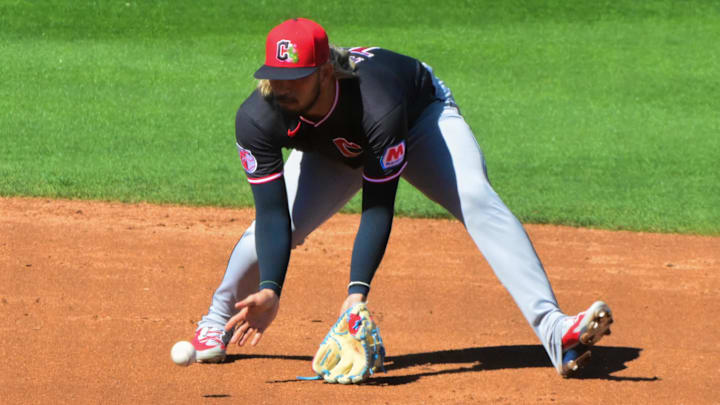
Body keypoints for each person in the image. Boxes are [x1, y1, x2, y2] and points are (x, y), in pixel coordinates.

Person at [188, 17, 613, 378]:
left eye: (295, 77)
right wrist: (271, 289)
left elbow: (377, 206)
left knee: (475, 198)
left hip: (419, 120)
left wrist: (356, 295)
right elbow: (273, 214)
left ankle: (556, 331)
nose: (282, 88)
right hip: (331, 148)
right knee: (277, 228)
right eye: (275, 76)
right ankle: (215, 319)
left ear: (324, 72)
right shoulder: (257, 118)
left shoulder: (379, 104)